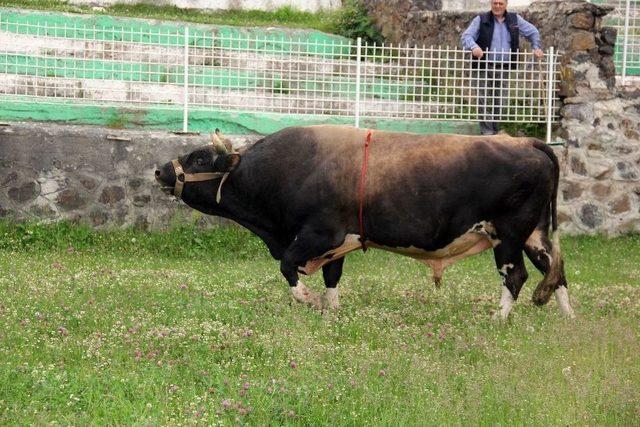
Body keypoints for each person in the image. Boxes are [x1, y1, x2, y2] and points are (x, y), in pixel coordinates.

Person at [461, 0, 543, 135]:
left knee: (500, 100)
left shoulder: (515, 19)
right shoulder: (480, 19)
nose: (497, 6)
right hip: (484, 65)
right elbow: (467, 36)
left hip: (504, 67)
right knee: (484, 100)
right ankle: (487, 133)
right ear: (490, 3)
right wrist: (474, 47)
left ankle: (495, 130)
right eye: (495, 3)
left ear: (506, 4)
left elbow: (533, 32)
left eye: (500, 3)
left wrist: (536, 47)